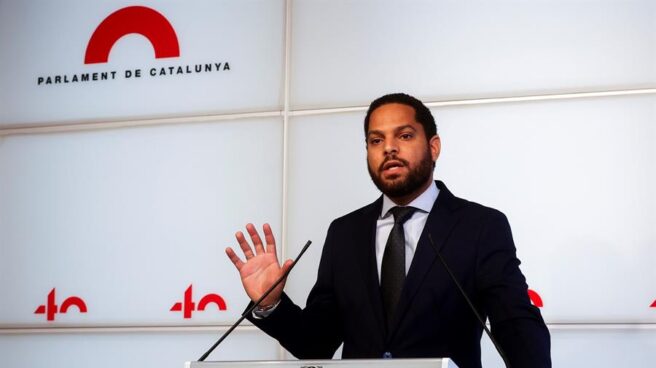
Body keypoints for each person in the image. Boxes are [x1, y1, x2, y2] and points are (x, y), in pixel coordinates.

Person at [226, 93, 551, 368]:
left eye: (405, 136)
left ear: (433, 147)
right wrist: (272, 303)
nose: (389, 148)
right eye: (376, 140)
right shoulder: (345, 233)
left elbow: (515, 326)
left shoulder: (480, 226)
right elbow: (317, 343)